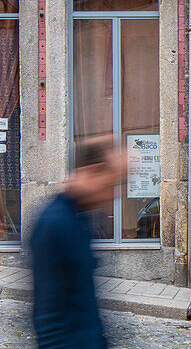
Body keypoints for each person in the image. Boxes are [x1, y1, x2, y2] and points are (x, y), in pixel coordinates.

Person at [29, 136, 124, 349]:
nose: (115, 194)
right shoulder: (55, 222)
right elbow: (49, 318)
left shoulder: (80, 218)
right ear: (94, 171)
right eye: (112, 183)